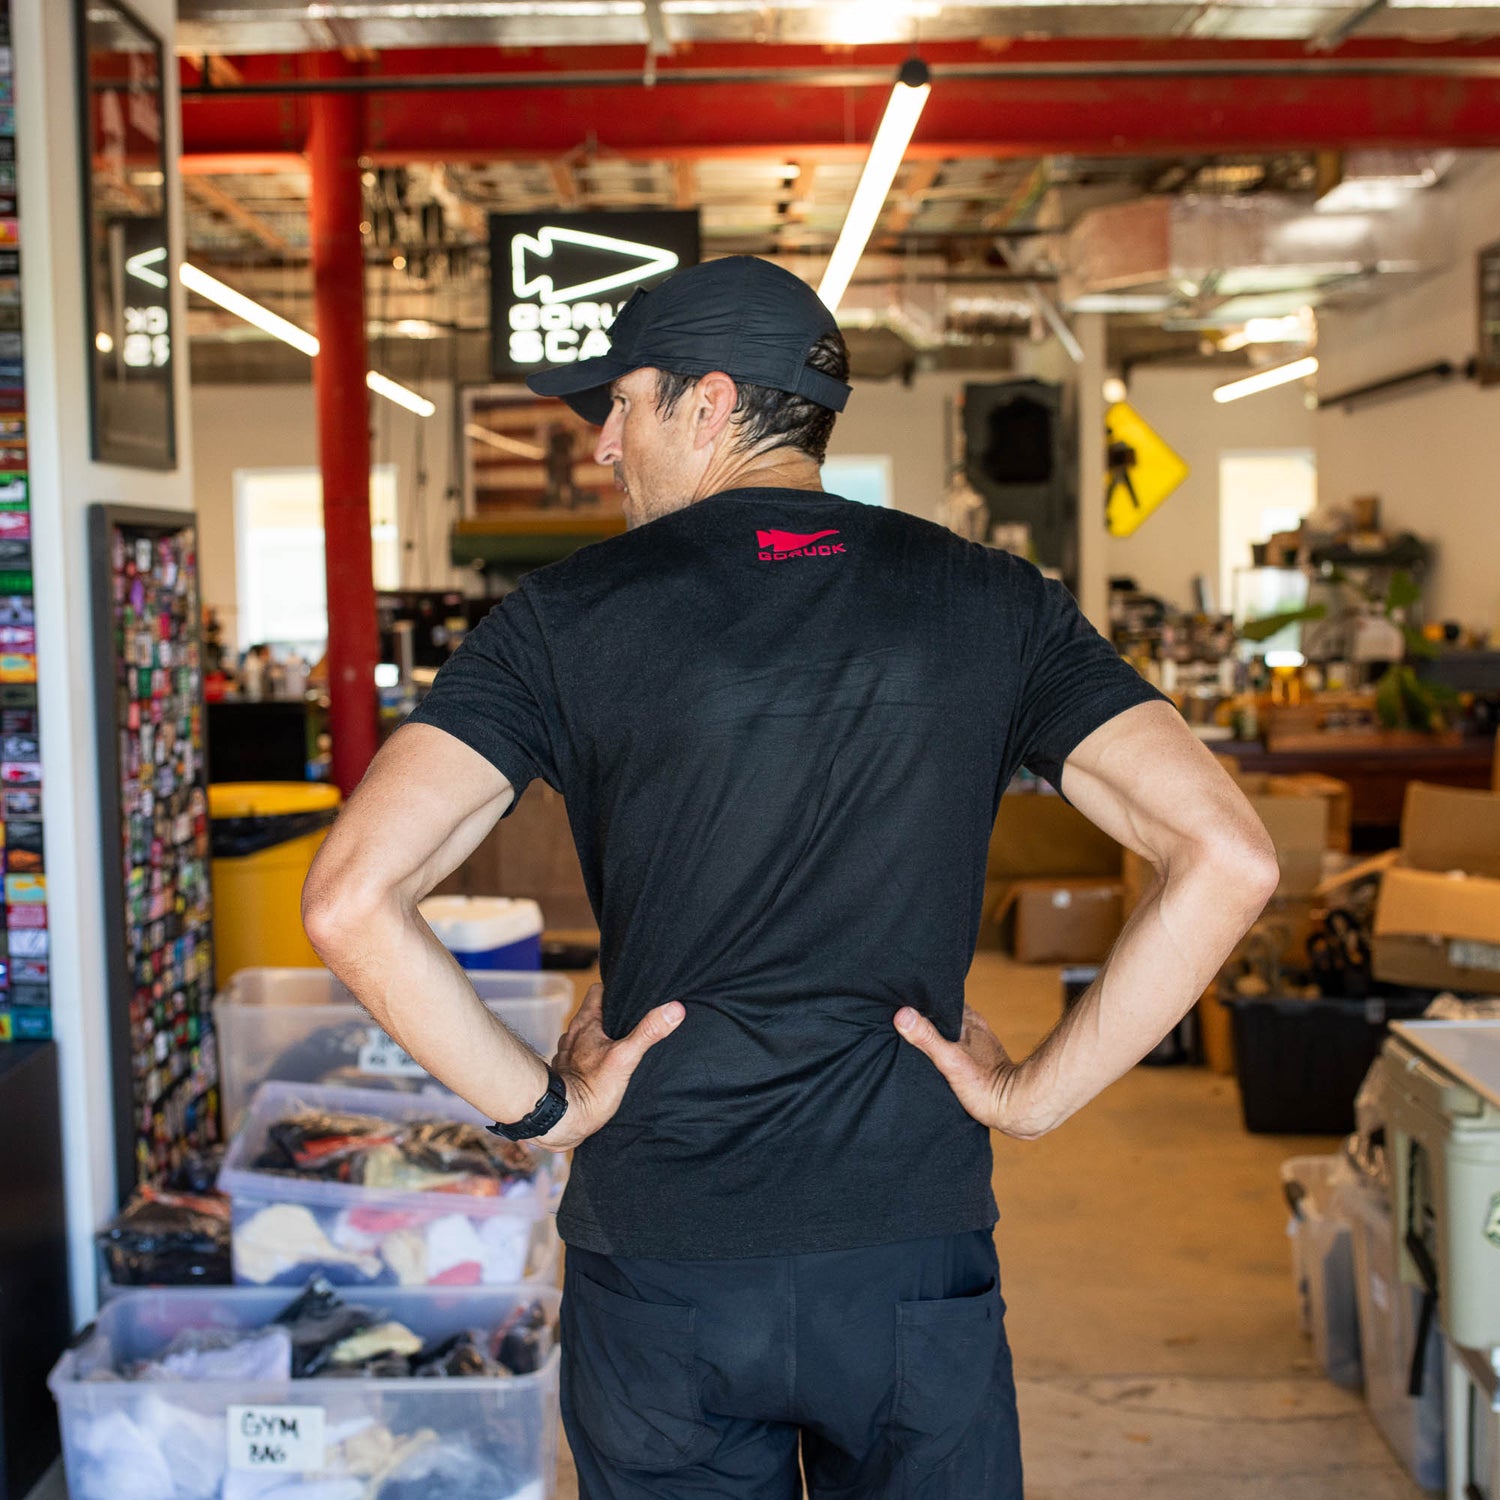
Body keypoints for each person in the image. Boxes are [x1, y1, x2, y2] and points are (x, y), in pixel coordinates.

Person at [302, 255, 1279, 1499]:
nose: (604, 444)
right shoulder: (994, 603)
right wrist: (1035, 1098)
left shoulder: (563, 618)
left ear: (710, 403)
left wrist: (543, 1107)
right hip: (908, 1248)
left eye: (623, 403)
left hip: (664, 1256)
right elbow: (1229, 855)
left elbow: (351, 898)